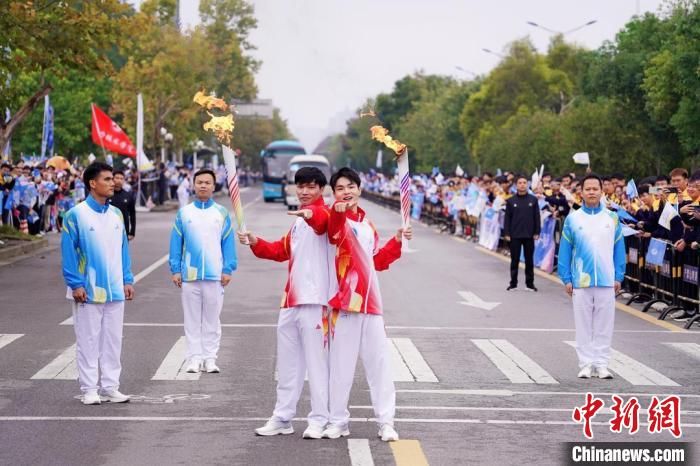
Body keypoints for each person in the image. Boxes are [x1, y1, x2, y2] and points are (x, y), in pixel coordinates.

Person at [238, 167, 336, 440]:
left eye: (311, 187)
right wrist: (256, 242)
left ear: (321, 189)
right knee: (288, 365)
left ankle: (319, 419)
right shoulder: (297, 223)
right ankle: (283, 417)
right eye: (300, 187)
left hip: (316, 301)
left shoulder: (325, 214)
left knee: (317, 364)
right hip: (291, 300)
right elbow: (281, 251)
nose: (304, 192)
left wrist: (309, 213)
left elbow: (321, 222)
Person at [323, 167, 412, 443]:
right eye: (340, 188)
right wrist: (338, 210)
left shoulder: (367, 224)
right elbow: (333, 233)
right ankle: (338, 421)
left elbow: (377, 261)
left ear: (359, 189)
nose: (346, 192)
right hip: (345, 304)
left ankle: (386, 422)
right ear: (334, 193)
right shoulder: (334, 219)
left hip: (371, 304)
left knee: (379, 365)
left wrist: (397, 240)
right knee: (340, 367)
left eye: (350, 186)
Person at [60, 162, 135, 405]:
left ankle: (111, 386)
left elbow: (123, 249)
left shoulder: (116, 214)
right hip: (88, 290)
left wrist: (126, 279)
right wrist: (75, 284)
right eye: (107, 179)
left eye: (112, 178)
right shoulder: (76, 215)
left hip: (114, 289)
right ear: (93, 183)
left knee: (113, 340)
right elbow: (69, 254)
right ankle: (89, 389)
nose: (113, 183)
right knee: (88, 340)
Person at [557, 174, 626, 380]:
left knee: (605, 324)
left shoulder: (612, 218)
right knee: (584, 323)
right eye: (588, 189)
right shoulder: (573, 219)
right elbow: (565, 250)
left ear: (602, 191)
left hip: (606, 279)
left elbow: (619, 249)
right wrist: (566, 278)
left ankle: (602, 364)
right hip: (581, 280)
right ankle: (586, 363)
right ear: (582, 192)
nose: (592, 192)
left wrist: (619, 275)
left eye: (595, 188)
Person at [169, 168, 237, 374]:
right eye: (200, 182)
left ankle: (210, 358)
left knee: (212, 319)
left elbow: (228, 244)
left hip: (215, 275)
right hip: (190, 275)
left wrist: (228, 269)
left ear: (214, 186)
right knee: (191, 319)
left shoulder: (221, 213)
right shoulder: (184, 213)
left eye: (208, 182)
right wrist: (175, 269)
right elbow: (175, 243)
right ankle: (193, 358)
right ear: (193, 185)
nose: (203, 185)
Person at [504, 175, 541, 291]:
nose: (522, 185)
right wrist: (507, 233)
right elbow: (507, 218)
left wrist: (536, 231)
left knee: (529, 260)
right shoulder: (511, 201)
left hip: (529, 235)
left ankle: (530, 284)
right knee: (514, 260)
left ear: (527, 184)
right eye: (520, 182)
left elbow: (537, 217)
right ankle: (513, 283)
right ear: (516, 185)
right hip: (515, 235)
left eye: (524, 182)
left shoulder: (533, 200)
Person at [110, 170, 136, 241]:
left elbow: (132, 214)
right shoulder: (107, 195)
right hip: (108, 230)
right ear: (112, 179)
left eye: (121, 179)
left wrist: (132, 232)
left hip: (124, 231)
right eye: (117, 178)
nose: (119, 181)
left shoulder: (128, 195)